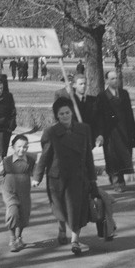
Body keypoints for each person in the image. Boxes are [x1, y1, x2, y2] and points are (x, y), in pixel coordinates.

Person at [32, 97, 98, 255]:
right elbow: (45, 156)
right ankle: (62, 227)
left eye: (67, 112)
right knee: (61, 209)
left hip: (78, 177)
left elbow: (88, 155)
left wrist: (93, 178)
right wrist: (37, 177)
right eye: (61, 114)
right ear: (57, 116)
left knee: (77, 210)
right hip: (58, 179)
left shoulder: (84, 129)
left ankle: (75, 241)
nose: (65, 116)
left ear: (72, 112)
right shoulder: (51, 132)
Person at [0, 134, 35, 252]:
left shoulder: (30, 161)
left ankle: (19, 237)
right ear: (13, 147)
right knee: (12, 212)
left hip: (24, 192)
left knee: (24, 214)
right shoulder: (7, 161)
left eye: (25, 147)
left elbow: (37, 171)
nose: (22, 149)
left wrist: (36, 180)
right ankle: (12, 238)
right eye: (19, 147)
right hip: (9, 191)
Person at [95, 70, 135, 191]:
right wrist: (100, 134)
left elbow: (129, 112)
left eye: (116, 78)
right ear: (107, 81)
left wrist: (133, 130)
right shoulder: (102, 96)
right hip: (110, 132)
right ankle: (116, 181)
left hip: (124, 130)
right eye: (112, 79)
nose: (115, 81)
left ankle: (120, 179)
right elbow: (99, 117)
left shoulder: (124, 93)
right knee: (112, 157)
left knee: (123, 155)